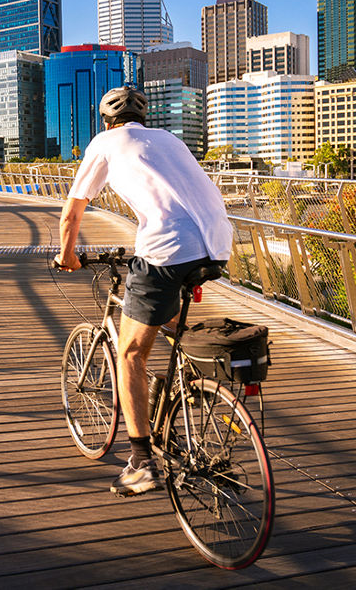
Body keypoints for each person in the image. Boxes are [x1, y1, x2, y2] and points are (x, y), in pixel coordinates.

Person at [53, 86, 232, 496]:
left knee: (130, 353)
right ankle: (188, 385)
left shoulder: (105, 143)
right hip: (216, 244)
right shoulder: (169, 140)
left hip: (167, 249)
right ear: (143, 118)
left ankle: (140, 462)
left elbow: (73, 212)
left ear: (105, 121)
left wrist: (67, 256)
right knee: (164, 316)